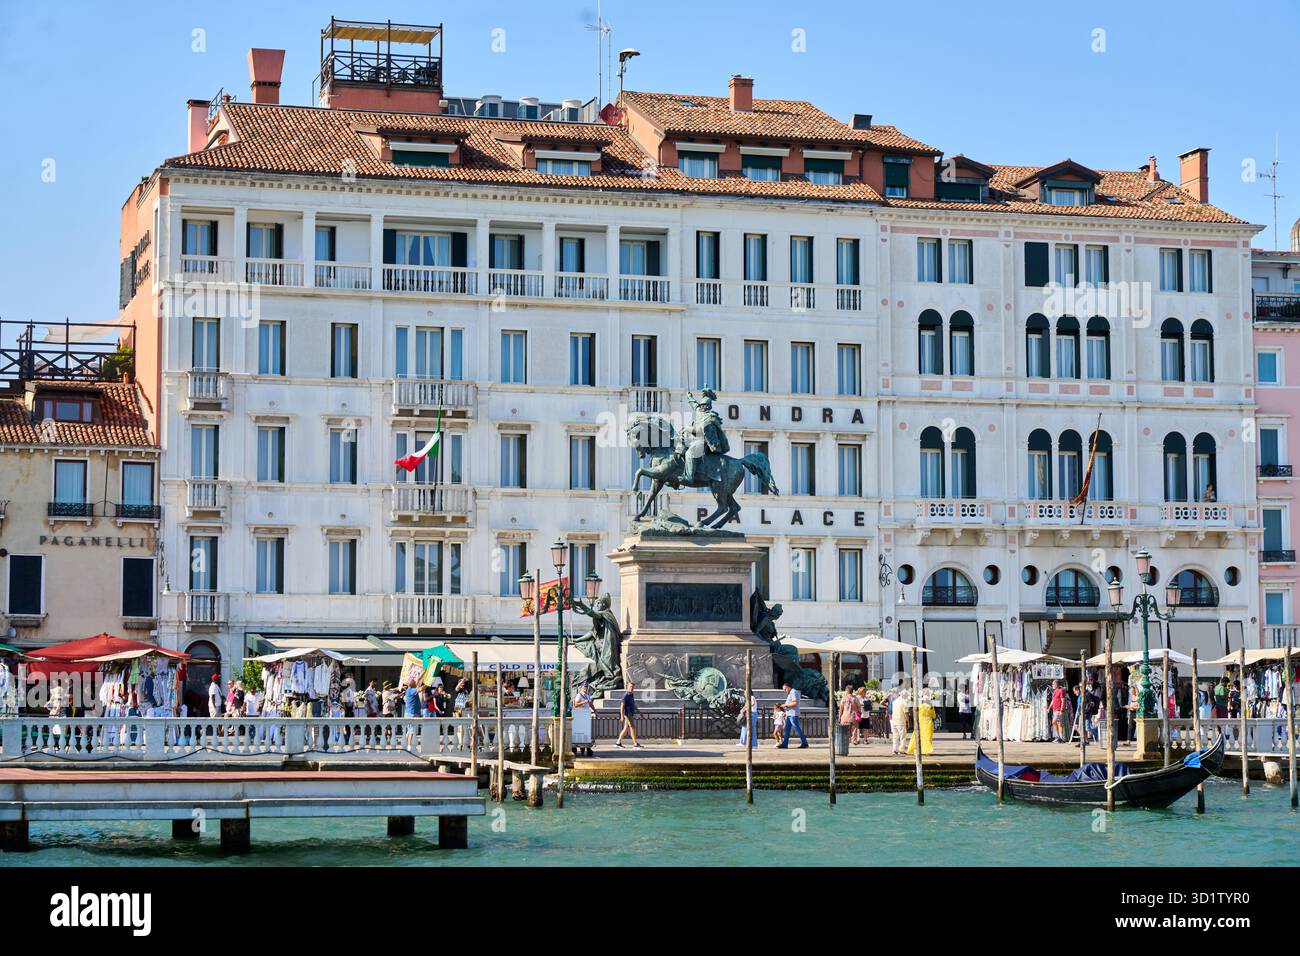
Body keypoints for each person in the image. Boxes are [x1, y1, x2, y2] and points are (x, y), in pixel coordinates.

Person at [777, 681, 808, 748]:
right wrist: (785, 712)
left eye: (785, 689)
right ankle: (785, 744)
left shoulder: (793, 692)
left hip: (793, 714)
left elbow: (795, 703)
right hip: (790, 714)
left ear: (788, 687)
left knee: (797, 729)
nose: (784, 691)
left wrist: (785, 705)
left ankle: (805, 743)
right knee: (787, 730)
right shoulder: (791, 693)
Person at [907, 691, 935, 756]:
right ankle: (926, 751)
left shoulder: (920, 706)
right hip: (928, 723)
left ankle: (916, 749)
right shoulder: (931, 707)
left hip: (920, 722)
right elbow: (934, 716)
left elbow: (915, 714)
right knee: (927, 737)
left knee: (918, 736)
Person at [616, 680, 641, 748]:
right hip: (628, 714)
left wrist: (640, 713)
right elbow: (622, 707)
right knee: (632, 728)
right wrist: (622, 716)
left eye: (632, 687)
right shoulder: (625, 696)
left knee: (625, 729)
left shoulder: (631, 695)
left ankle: (618, 742)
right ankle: (635, 744)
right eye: (630, 687)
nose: (631, 688)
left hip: (631, 714)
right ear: (627, 687)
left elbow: (634, 705)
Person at [839, 680, 862, 745]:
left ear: (847, 691)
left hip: (845, 716)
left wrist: (839, 717)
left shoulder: (844, 698)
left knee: (845, 729)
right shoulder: (855, 698)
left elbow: (841, 708)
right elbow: (859, 707)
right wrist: (859, 713)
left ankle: (845, 740)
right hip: (853, 716)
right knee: (854, 728)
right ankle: (853, 740)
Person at [890, 689, 910, 755]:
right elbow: (906, 712)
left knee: (895, 736)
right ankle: (901, 750)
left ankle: (894, 749)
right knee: (902, 736)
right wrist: (908, 721)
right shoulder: (904, 702)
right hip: (901, 721)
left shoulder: (895, 701)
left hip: (894, 720)